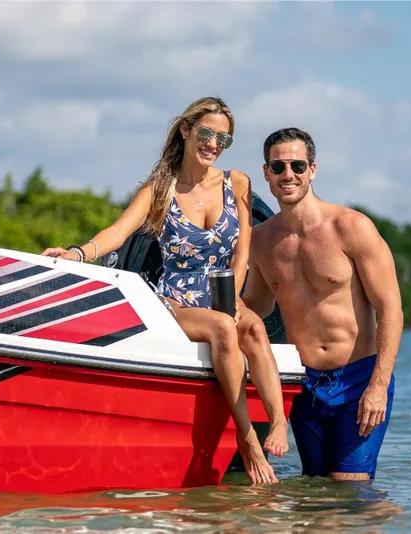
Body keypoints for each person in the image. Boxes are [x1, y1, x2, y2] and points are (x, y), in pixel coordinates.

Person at [42, 97, 288, 485]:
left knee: (255, 328)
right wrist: (77, 253)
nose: (213, 145)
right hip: (174, 300)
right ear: (186, 130)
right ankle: (246, 437)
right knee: (224, 329)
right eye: (206, 133)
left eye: (223, 139)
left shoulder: (237, 183)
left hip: (221, 294)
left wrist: (235, 297)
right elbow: (118, 233)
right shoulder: (160, 189)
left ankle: (278, 423)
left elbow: (242, 250)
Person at [241, 127, 403, 481]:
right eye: (278, 167)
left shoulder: (351, 227)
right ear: (266, 172)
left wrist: (378, 386)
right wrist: (202, 315)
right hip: (303, 385)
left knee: (349, 487)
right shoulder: (262, 240)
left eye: (297, 166)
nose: (288, 175)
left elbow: (390, 309)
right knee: (315, 490)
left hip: (358, 379)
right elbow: (256, 305)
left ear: (312, 170)